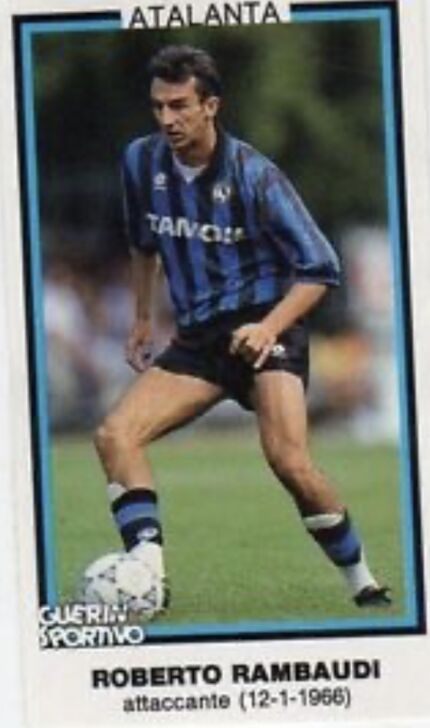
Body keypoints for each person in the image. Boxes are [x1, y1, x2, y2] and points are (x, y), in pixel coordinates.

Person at [94, 44, 390, 614]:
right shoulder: (140, 161)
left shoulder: (256, 175)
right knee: (114, 435)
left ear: (211, 106)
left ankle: (364, 582)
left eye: (180, 106)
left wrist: (268, 326)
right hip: (198, 339)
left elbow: (321, 269)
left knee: (289, 461)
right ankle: (148, 577)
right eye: (158, 106)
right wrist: (141, 319)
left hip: (267, 325)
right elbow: (143, 243)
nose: (167, 119)